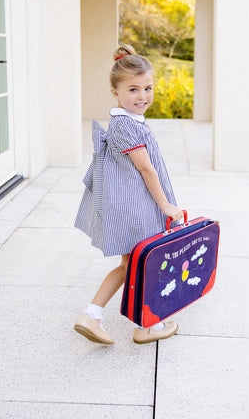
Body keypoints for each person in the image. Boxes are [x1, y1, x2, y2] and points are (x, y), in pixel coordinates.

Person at [74, 44, 183, 345]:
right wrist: (166, 205)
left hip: (132, 206)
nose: (142, 96)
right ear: (115, 91)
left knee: (128, 266)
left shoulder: (129, 121)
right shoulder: (124, 126)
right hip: (136, 209)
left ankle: (91, 315)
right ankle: (145, 326)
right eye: (133, 89)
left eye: (147, 88)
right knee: (144, 263)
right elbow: (146, 170)